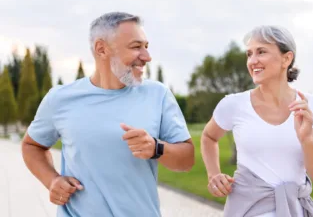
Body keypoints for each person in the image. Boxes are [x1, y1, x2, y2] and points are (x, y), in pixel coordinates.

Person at [21, 12, 195, 217]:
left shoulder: (158, 95)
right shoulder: (60, 99)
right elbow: (32, 146)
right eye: (136, 46)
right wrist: (52, 180)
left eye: (146, 47)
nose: (147, 57)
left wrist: (156, 148)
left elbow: (187, 159)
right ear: (101, 49)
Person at [201, 25, 313, 217]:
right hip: (245, 210)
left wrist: (305, 139)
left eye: (261, 52)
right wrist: (214, 174)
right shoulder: (233, 104)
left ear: (287, 58)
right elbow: (209, 137)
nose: (253, 61)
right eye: (249, 54)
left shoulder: (312, 105)